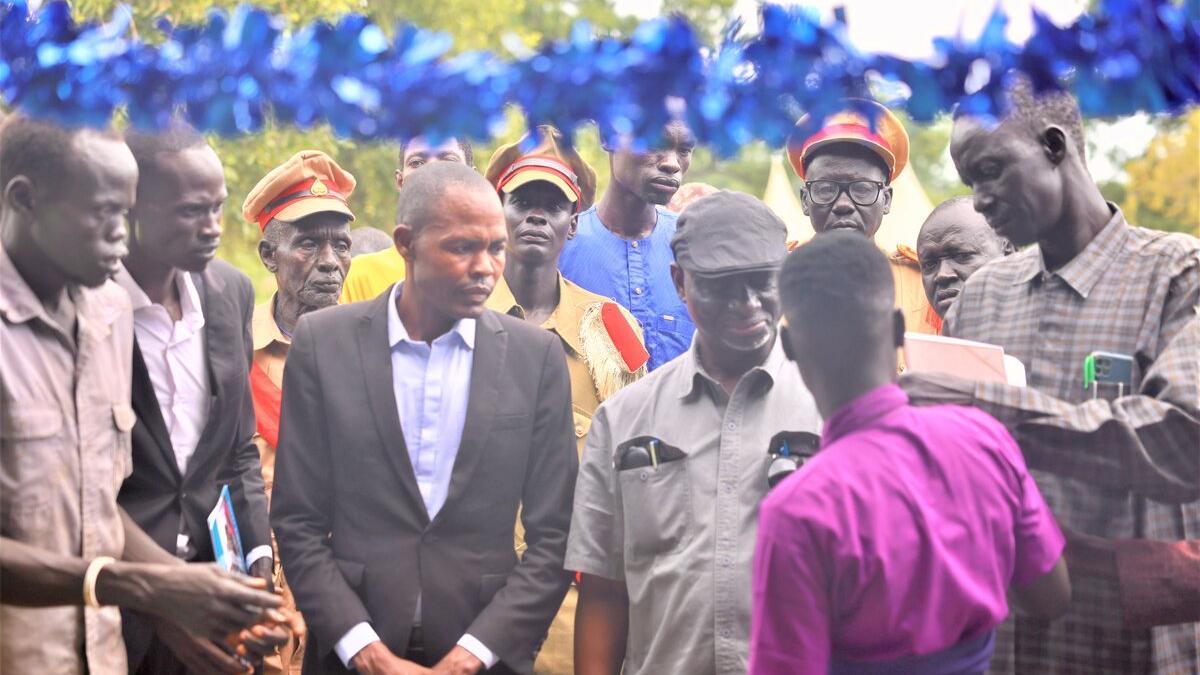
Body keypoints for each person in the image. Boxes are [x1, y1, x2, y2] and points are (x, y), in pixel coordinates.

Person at [902, 77, 1200, 674]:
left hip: (1132, 644)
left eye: (991, 171)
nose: (980, 198)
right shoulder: (980, 297)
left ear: (1055, 146)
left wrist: (994, 411)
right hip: (1002, 638)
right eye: (969, 182)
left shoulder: (1175, 273)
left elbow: (1182, 442)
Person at [0, 115, 283, 675]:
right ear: (25, 200)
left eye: (127, 211)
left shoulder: (103, 316)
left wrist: (196, 591)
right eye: (106, 212)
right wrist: (141, 586)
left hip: (103, 651)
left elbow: (95, 503)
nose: (121, 232)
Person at [272, 161, 577, 674]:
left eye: (496, 247)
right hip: (350, 657)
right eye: (463, 247)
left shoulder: (537, 357)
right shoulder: (323, 344)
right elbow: (298, 522)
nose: (486, 267)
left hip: (486, 656)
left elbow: (557, 537)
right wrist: (365, 652)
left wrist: (472, 656)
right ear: (406, 243)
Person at [750, 231, 1069, 675]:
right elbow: (1050, 596)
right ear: (900, 330)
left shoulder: (798, 510)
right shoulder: (985, 439)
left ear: (789, 348)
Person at [566, 191, 821, 675]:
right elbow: (603, 589)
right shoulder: (623, 420)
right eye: (721, 285)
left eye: (761, 282)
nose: (747, 303)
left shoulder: (832, 410)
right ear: (680, 283)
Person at [483, 127, 648, 675]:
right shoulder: (455, 317)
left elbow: (633, 477)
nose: (536, 217)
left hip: (573, 608)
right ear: (497, 213)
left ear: (572, 224)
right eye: (521, 202)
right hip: (468, 598)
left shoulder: (608, 327)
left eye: (552, 206)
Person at [114, 125, 276, 674]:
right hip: (112, 606)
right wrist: (163, 599)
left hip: (214, 601)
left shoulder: (230, 293)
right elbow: (81, 490)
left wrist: (257, 563)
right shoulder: (89, 305)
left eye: (219, 207)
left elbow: (236, 452)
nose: (212, 228)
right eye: (190, 212)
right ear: (132, 208)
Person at [243, 149, 357, 674]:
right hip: (261, 604)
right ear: (269, 255)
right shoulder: (230, 353)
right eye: (309, 243)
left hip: (357, 607)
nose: (330, 261)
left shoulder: (380, 353)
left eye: (341, 244)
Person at [786, 99, 941, 336]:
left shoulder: (925, 286)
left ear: (886, 199)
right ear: (805, 200)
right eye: (826, 188)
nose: (844, 205)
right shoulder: (772, 281)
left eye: (862, 189)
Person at [557, 121, 696, 370]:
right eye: (654, 144)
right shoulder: (560, 245)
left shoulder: (696, 243)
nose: (672, 164)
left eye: (684, 151)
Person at [339, 135, 474, 304]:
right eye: (417, 163)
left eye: (448, 160)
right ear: (400, 181)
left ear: (471, 178)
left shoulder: (492, 273)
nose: (431, 171)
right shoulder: (358, 279)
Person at [915, 195, 1013, 319]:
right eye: (929, 264)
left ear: (1008, 249)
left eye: (962, 256)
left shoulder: (1041, 324)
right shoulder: (911, 335)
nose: (942, 275)